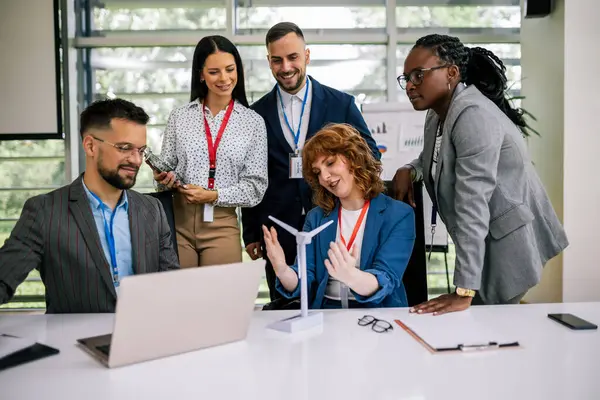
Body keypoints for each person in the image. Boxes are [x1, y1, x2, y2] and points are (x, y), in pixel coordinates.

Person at [393, 34, 569, 315]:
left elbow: (472, 205)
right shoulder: (438, 112)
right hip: (485, 240)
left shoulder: (472, 114)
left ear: (451, 73)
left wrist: (464, 290)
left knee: (486, 332)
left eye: (418, 75)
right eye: (406, 78)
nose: (410, 85)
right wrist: (410, 169)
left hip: (506, 245)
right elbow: (438, 158)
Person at [241, 22, 381, 302]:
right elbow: (249, 175)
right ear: (269, 61)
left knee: (330, 301)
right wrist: (251, 231)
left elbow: (371, 156)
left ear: (306, 56)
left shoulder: (341, 104)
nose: (286, 67)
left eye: (293, 57)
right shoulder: (254, 114)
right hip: (277, 228)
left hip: (332, 220)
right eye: (277, 60)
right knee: (286, 303)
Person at [0, 99, 180, 313]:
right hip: (72, 343)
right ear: (90, 146)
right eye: (124, 148)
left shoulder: (152, 210)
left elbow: (172, 286)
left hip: (141, 338)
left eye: (141, 150)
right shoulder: (44, 211)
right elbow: (4, 279)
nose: (136, 160)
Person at [262, 123, 415, 309]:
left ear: (353, 158)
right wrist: (282, 269)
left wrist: (351, 275)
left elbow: (386, 278)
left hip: (377, 315)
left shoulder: (398, 215)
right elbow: (305, 278)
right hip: (327, 313)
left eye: (330, 163)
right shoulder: (316, 217)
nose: (325, 177)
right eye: (318, 172)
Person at [154, 35, 268, 268]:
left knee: (219, 301)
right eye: (214, 72)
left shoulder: (253, 122)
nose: (224, 79)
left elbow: (255, 188)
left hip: (222, 223)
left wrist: (213, 196)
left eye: (230, 69)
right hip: (178, 223)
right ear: (200, 74)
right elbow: (164, 176)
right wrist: (164, 179)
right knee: (181, 301)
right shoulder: (180, 117)